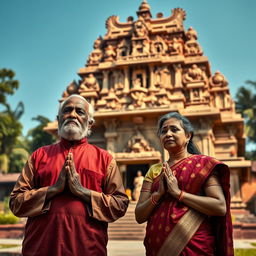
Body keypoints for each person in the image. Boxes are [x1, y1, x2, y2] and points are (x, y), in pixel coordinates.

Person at [9, 94, 129, 256]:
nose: (72, 114)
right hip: (41, 249)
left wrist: (82, 191)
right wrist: (52, 190)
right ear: (58, 119)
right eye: (67, 110)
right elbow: (16, 202)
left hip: (88, 249)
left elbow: (120, 205)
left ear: (90, 122)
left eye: (79, 111)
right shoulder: (39, 156)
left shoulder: (104, 159)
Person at [135, 112, 234, 256]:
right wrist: (157, 195)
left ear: (188, 136)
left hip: (194, 245)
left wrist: (178, 194)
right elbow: (139, 216)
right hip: (157, 248)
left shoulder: (203, 165)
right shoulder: (154, 170)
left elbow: (220, 206)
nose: (168, 134)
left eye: (174, 129)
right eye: (164, 131)